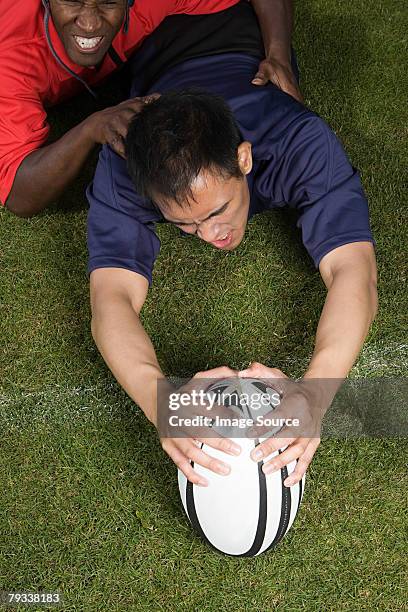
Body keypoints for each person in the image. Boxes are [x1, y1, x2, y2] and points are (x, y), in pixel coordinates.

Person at [86, 12, 378, 488]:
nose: (209, 235)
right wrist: (162, 403)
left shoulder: (299, 140)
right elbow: (110, 301)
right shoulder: (123, 168)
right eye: (184, 223)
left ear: (244, 158)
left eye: (217, 210)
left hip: (229, 22)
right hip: (152, 46)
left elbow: (355, 271)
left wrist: (315, 395)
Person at [0, 0, 299, 217]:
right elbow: (20, 193)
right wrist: (91, 129)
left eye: (108, 2)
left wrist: (278, 54)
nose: (90, 23)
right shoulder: (10, 57)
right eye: (72, 1)